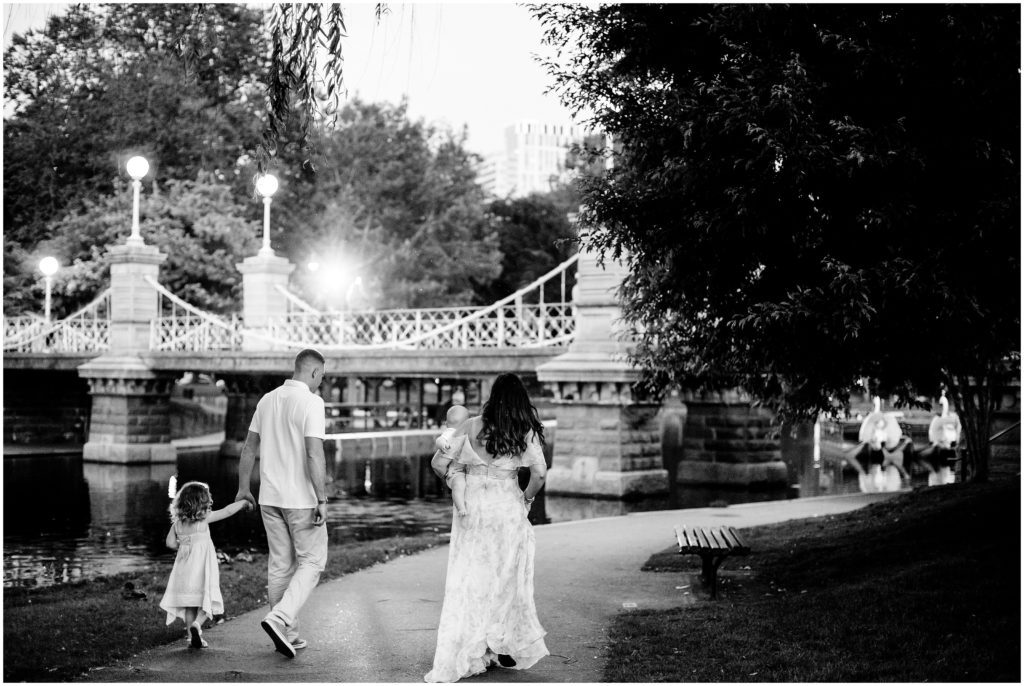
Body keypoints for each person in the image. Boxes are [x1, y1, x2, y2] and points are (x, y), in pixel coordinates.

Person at [425, 372, 549, 683]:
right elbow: (539, 474)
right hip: (506, 506)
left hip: (473, 510)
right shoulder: (524, 430)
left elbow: (438, 463)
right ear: (520, 400)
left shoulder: (471, 425)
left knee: (470, 578)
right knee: (505, 578)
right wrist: (527, 498)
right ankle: (497, 641)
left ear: (493, 396)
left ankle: (476, 648)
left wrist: (455, 478)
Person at [235, 348, 329, 659]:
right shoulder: (312, 403)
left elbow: (249, 448)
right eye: (321, 377)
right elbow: (314, 453)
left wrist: (242, 488)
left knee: (279, 564)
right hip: (300, 498)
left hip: (269, 497)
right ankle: (279, 618)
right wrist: (322, 498)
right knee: (313, 562)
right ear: (314, 373)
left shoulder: (266, 400)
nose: (320, 384)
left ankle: (287, 634)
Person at [160, 481, 252, 649]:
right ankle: (197, 624)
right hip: (202, 568)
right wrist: (243, 503)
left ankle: (190, 637)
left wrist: (183, 545)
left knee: (190, 603)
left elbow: (170, 543)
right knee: (206, 598)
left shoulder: (177, 524)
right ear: (202, 503)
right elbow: (227, 510)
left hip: (184, 570)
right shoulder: (204, 520)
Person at [432, 404, 471, 516]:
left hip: (461, 466)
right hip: (454, 471)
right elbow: (440, 439)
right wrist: (443, 445)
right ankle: (461, 507)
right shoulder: (451, 431)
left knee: (459, 485)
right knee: (458, 485)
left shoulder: (466, 432)